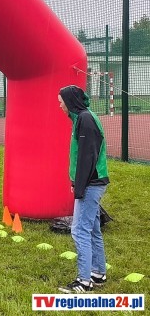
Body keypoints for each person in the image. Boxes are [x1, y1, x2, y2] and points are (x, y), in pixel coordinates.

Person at [57, 85, 110, 294]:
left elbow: (88, 157)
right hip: (91, 182)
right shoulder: (81, 118)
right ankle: (98, 272)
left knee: (79, 230)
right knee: (93, 228)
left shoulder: (86, 120)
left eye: (61, 102)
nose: (60, 106)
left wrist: (79, 187)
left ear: (70, 102)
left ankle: (84, 281)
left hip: (91, 184)